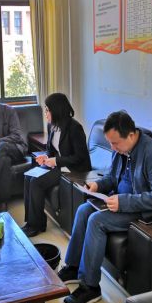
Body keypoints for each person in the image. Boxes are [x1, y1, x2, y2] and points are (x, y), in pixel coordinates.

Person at [58, 111, 152, 303]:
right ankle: (73, 267)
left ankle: (90, 286)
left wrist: (124, 202)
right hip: (124, 202)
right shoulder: (120, 149)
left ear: (131, 135)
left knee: (97, 221)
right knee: (84, 210)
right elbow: (112, 178)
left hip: (150, 212)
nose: (112, 148)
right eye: (110, 143)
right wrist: (98, 185)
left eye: (115, 144)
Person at [23, 93, 91, 237]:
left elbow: (80, 157)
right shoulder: (51, 125)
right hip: (58, 165)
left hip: (73, 169)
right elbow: (51, 150)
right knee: (28, 177)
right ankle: (31, 222)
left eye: (47, 109)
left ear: (57, 110)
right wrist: (46, 157)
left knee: (36, 181)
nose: (45, 112)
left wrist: (56, 161)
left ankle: (36, 224)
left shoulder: (75, 128)